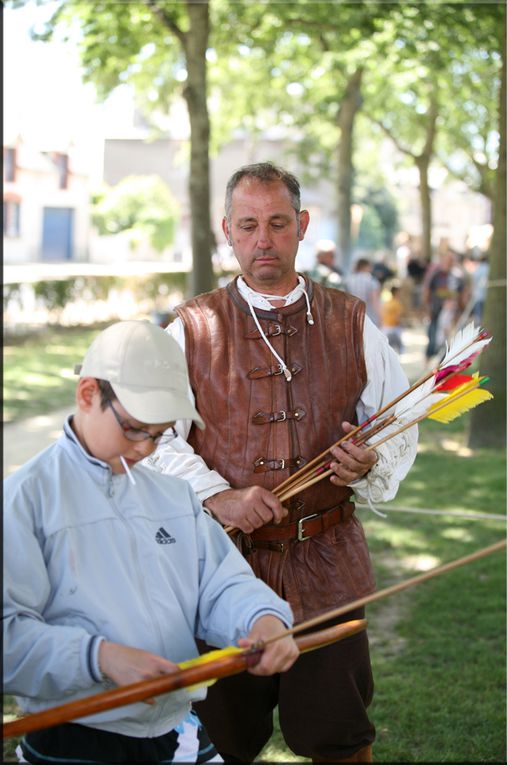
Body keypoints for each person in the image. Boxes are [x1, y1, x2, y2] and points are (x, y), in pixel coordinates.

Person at [148, 162, 418, 763]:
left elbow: (399, 420)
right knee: (218, 741)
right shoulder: (191, 329)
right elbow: (155, 438)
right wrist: (219, 496)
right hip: (221, 571)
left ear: (301, 225)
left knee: (338, 738)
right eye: (248, 225)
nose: (262, 239)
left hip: (328, 567)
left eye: (276, 223)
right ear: (227, 230)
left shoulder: (352, 321)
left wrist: (367, 463)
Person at [3, 320, 299, 765]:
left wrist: (260, 619)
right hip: (74, 736)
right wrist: (99, 658)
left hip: (177, 730)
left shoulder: (172, 494)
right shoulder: (25, 499)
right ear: (87, 395)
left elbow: (219, 583)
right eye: (135, 428)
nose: (145, 447)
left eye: (158, 434)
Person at [423, 248, 470, 361]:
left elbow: (463, 295)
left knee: (448, 343)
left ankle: (442, 366)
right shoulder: (435, 275)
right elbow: (427, 292)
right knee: (433, 340)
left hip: (452, 315)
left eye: (451, 260)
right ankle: (428, 363)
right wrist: (427, 309)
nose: (449, 262)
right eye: (447, 259)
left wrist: (461, 310)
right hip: (436, 312)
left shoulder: (458, 277)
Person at [345, 257, 382, 327]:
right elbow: (375, 301)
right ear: (366, 266)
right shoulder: (371, 280)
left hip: (353, 317)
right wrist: (380, 318)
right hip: (369, 317)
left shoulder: (348, 280)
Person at [381, 284, 404, 354]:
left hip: (385, 328)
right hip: (394, 329)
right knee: (399, 349)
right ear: (396, 292)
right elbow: (398, 318)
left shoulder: (386, 303)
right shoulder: (397, 304)